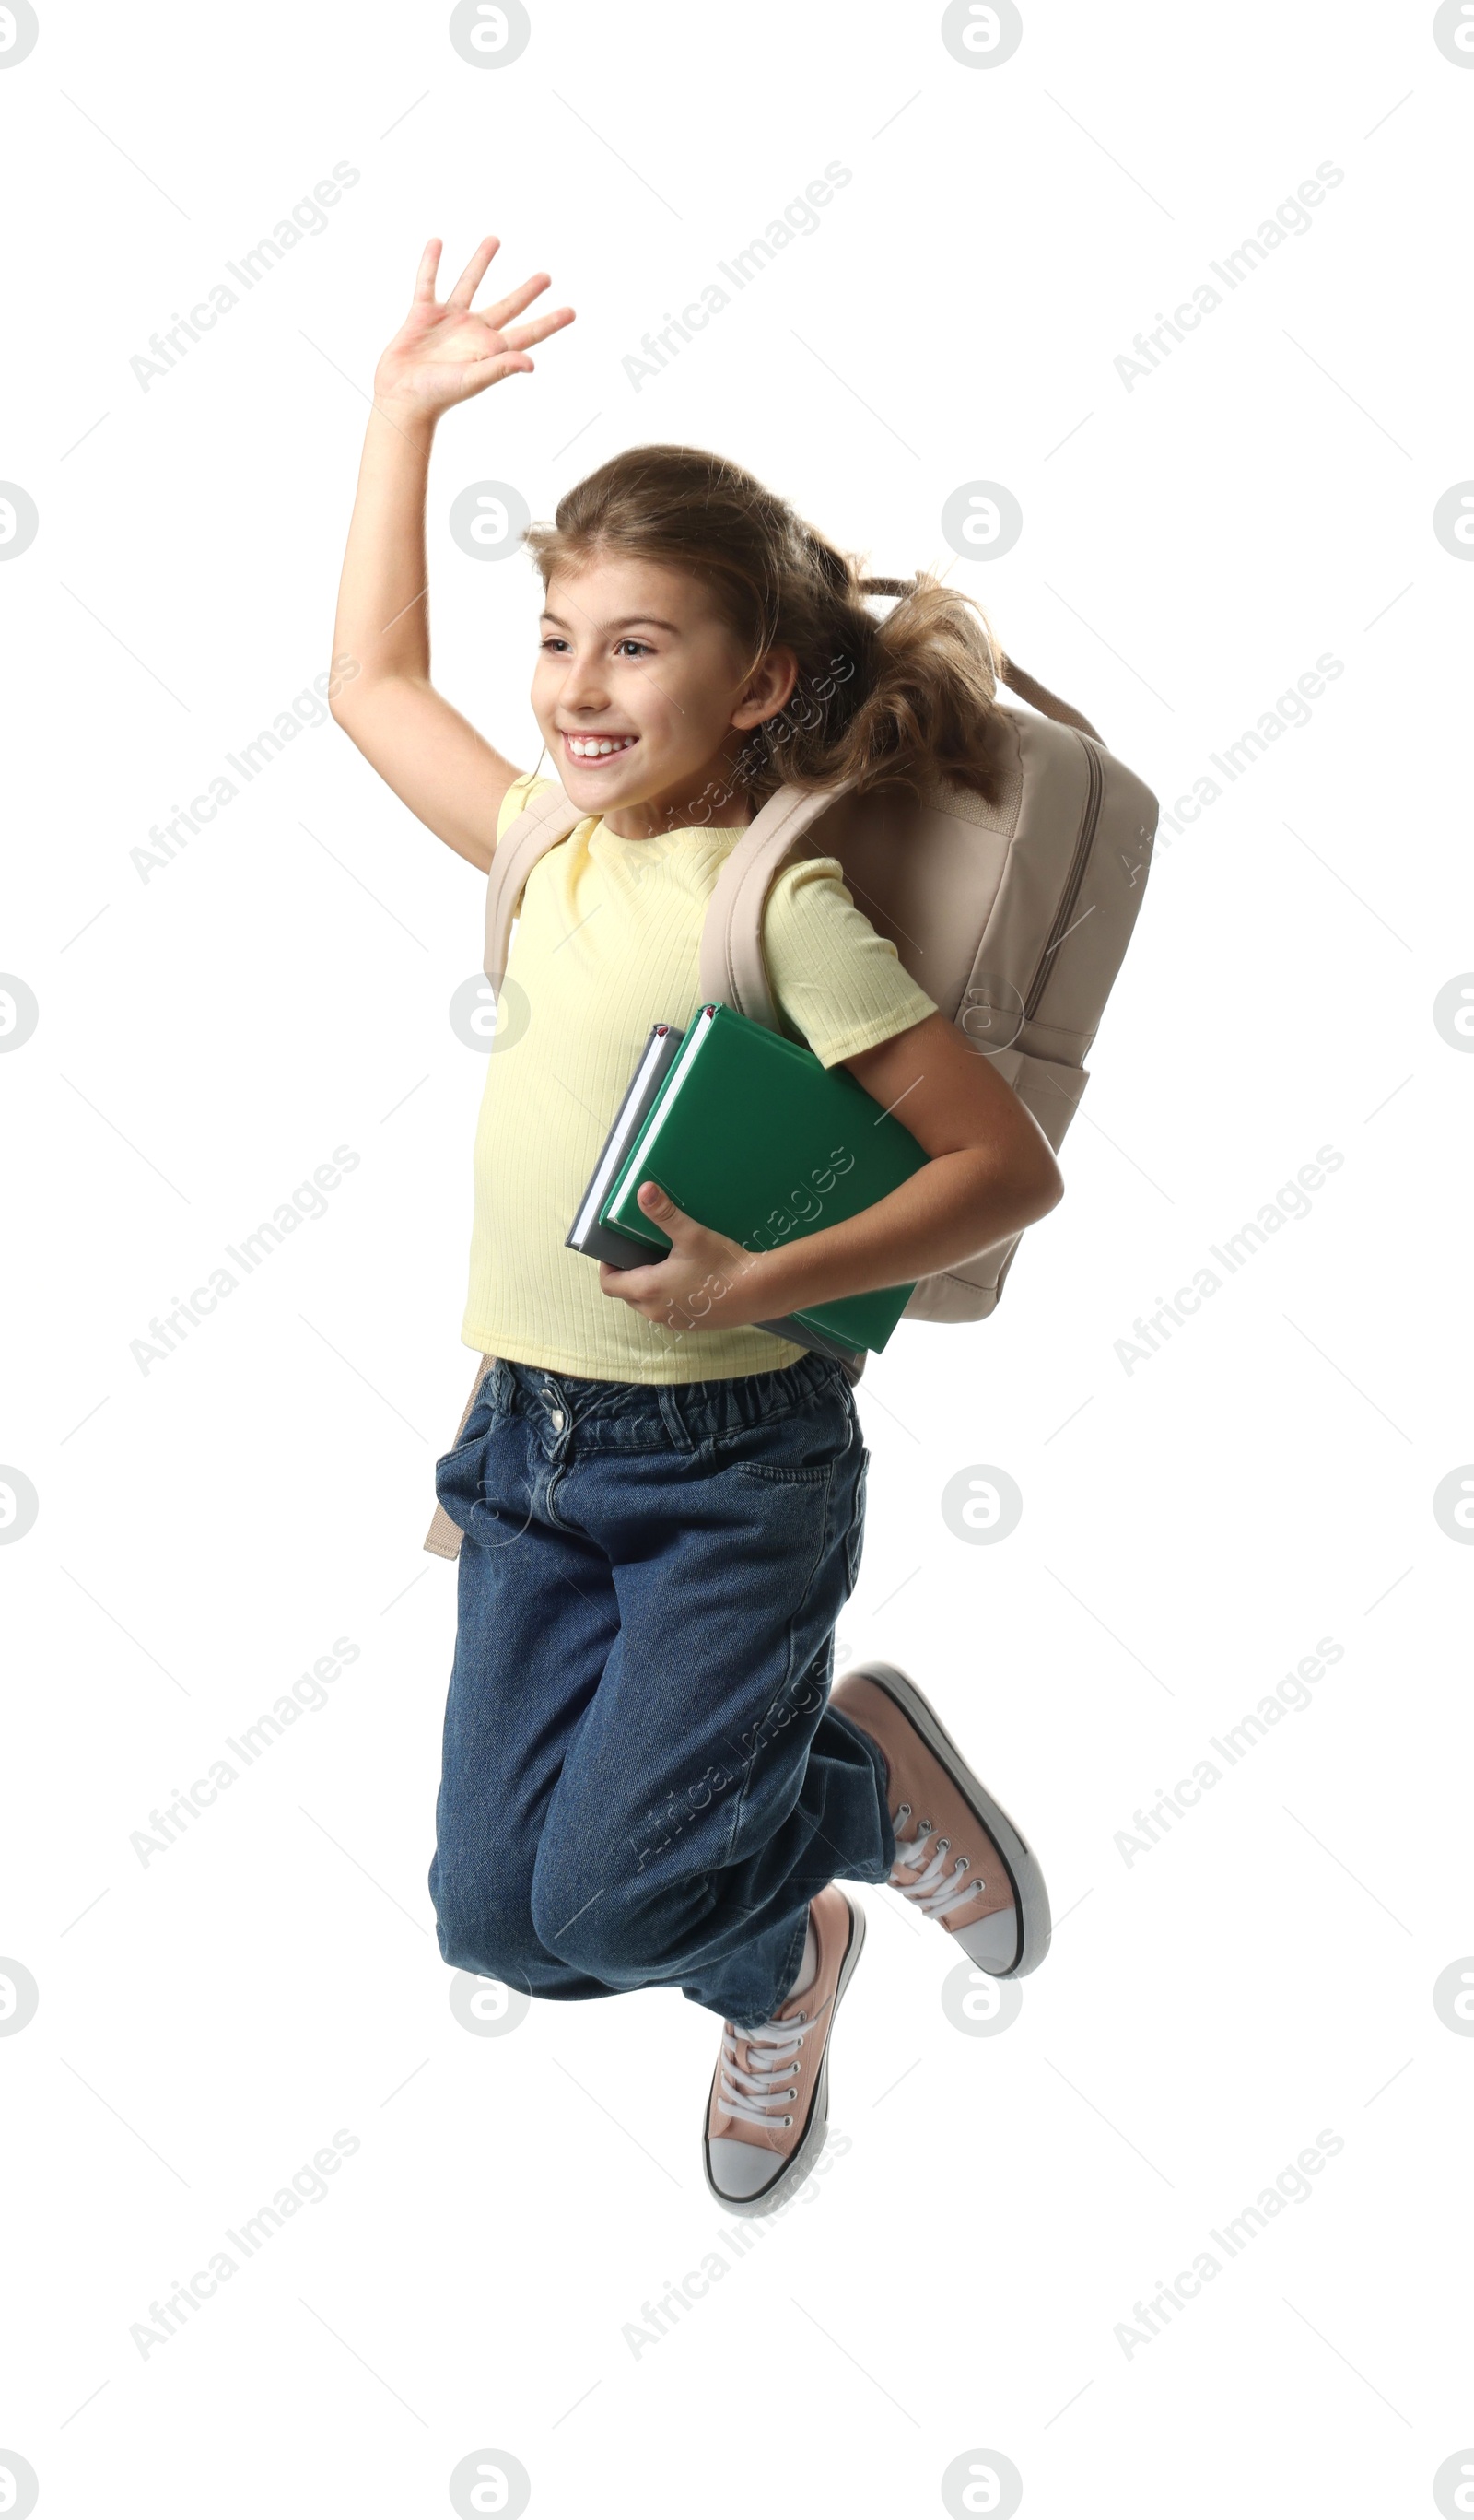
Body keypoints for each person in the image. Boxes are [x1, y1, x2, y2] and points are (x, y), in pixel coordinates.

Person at [330, 234, 1063, 2216]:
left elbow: (999, 1170)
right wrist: (401, 414)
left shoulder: (782, 905)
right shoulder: (540, 842)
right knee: (505, 1928)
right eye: (559, 634)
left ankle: (844, 1804)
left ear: (754, 682)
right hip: (526, 1450)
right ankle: (805, 1916)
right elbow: (369, 684)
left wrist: (763, 1280)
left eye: (634, 644)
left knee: (619, 1886)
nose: (575, 683)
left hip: (725, 1461)